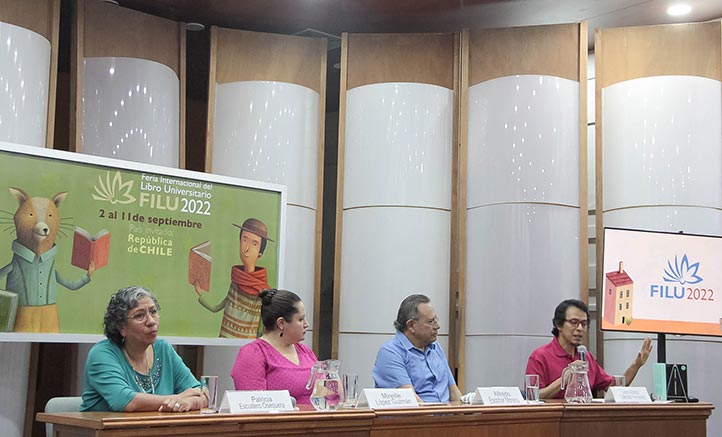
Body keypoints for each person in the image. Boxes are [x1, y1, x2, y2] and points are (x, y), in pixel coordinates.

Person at [81, 286, 204, 412]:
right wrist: (179, 398)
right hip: (107, 430)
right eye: (140, 315)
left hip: (155, 430)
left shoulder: (163, 349)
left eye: (153, 312)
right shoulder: (102, 354)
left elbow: (202, 394)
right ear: (121, 327)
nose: (151, 321)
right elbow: (127, 402)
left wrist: (190, 402)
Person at [526, 299, 653, 399]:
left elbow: (615, 387)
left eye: (584, 324)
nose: (580, 328)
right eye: (574, 322)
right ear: (559, 324)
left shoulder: (585, 357)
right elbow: (533, 397)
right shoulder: (540, 356)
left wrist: (637, 364)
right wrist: (566, 377)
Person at [231, 288, 317, 404]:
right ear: (281, 323)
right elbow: (253, 405)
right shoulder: (253, 353)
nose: (307, 324)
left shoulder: (305, 351)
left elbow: (328, 391)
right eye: (301, 319)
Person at [372, 294, 462, 403]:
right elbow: (413, 403)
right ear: (411, 325)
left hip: (447, 416)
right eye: (430, 322)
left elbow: (454, 392)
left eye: (436, 320)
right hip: (419, 418)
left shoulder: (435, 347)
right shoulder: (391, 353)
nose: (437, 326)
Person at [195, 218, 273, 338]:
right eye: (244, 239)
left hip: (248, 346)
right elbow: (216, 308)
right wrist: (201, 295)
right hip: (224, 339)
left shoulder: (263, 291)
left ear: (260, 253)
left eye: (254, 244)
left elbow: (260, 330)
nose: (246, 248)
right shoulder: (236, 282)